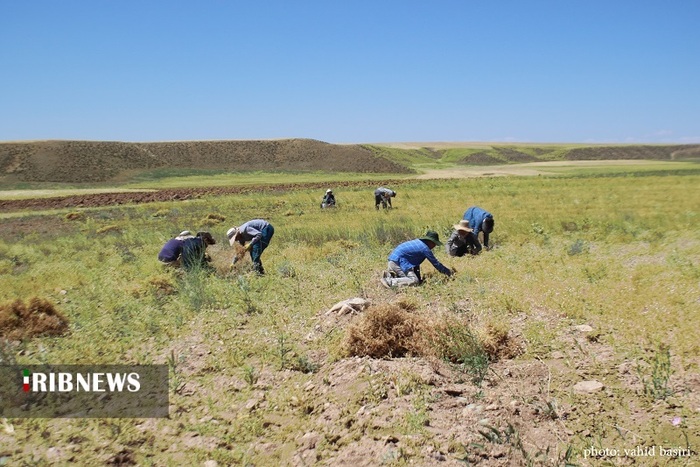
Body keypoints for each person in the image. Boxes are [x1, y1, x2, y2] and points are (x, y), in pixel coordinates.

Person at [380, 230, 453, 288]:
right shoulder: (425, 248)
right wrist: (449, 273)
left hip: (393, 261)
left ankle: (390, 275)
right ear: (430, 241)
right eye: (434, 244)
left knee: (414, 279)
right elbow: (436, 264)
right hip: (397, 263)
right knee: (414, 281)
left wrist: (419, 277)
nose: (434, 246)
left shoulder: (418, 242)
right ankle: (389, 281)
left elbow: (415, 263)